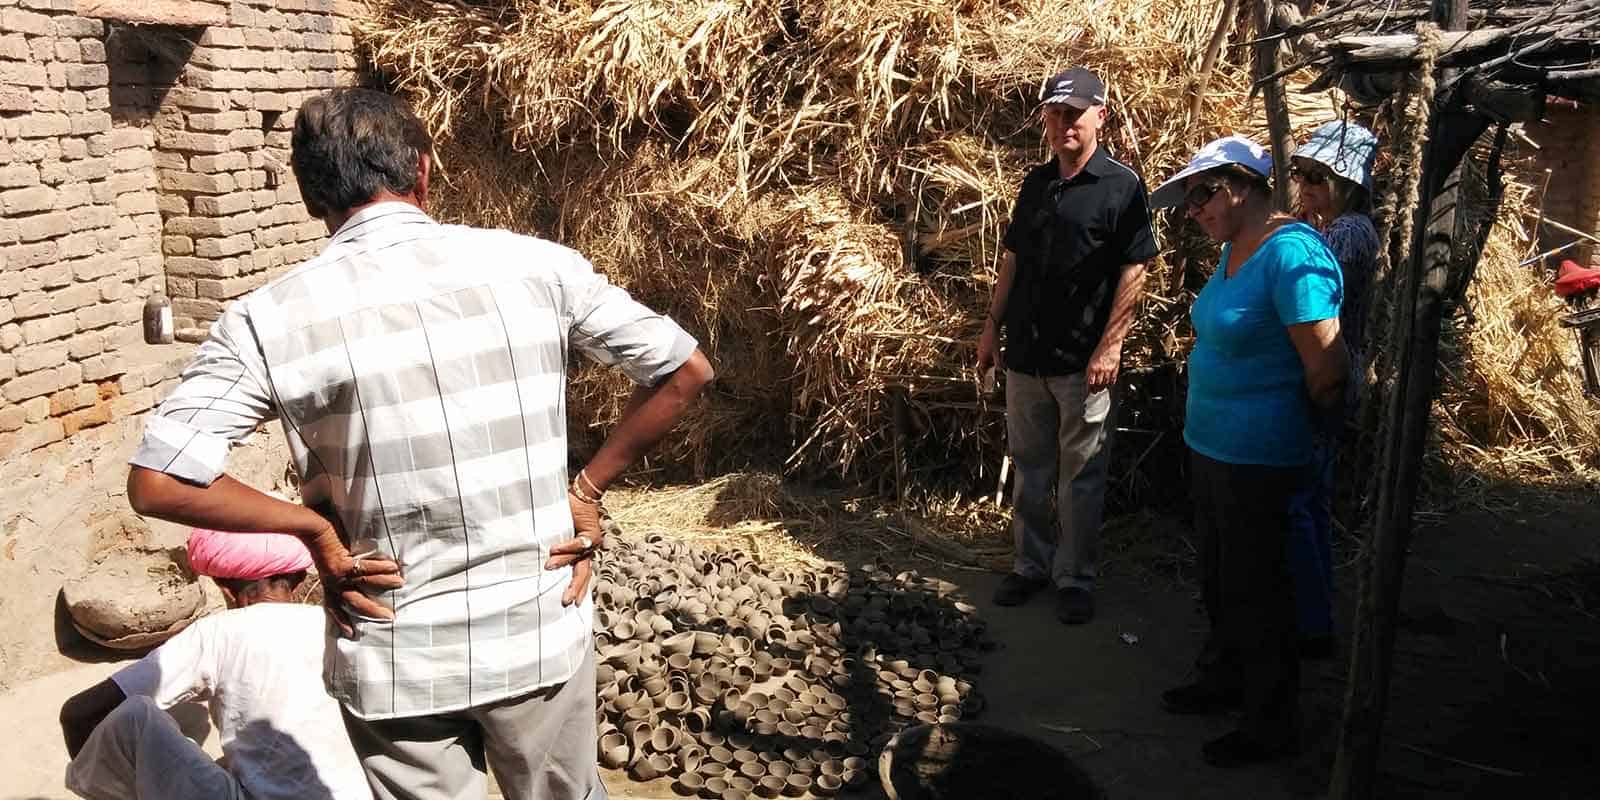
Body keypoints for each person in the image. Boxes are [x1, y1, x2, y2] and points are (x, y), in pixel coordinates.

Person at [123, 87, 715, 800]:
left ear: (312, 197)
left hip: (393, 648)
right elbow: (684, 369)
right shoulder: (539, 267)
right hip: (538, 625)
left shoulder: (266, 319)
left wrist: (313, 530)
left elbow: (158, 480)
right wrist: (587, 491)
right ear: (424, 172)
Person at [1147, 136, 1349, 767]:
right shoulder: (1237, 249)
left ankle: (1270, 722)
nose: (1194, 210)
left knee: (1260, 590)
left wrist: (1296, 429)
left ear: (1240, 185)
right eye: (1188, 200)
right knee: (1222, 578)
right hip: (1213, 448)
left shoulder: (1291, 254)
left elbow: (1328, 367)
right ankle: (1224, 679)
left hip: (1260, 457)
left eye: (1202, 194)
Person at [976, 66, 1158, 624]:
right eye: (1054, 115)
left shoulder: (1121, 187)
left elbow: (1136, 269)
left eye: (1073, 114)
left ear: (1100, 115)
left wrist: (1110, 345)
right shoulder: (1036, 184)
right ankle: (1030, 565)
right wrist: (990, 328)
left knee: (1080, 475)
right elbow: (1013, 261)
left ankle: (1074, 578)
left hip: (1084, 361)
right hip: (1027, 356)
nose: (1062, 125)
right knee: (1030, 466)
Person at [60, 528, 371, 800]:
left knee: (133, 717)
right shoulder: (335, 624)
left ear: (224, 589)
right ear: (301, 580)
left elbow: (78, 713)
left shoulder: (217, 631)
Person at [1285, 119, 1380, 658]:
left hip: (1329, 374)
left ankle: (1311, 623)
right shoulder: (1321, 226)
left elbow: (1304, 283)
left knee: (1301, 500)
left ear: (1347, 183)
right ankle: (1311, 613)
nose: (1308, 188)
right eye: (1304, 175)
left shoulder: (1350, 232)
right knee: (1310, 499)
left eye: (1320, 178)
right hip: (1322, 370)